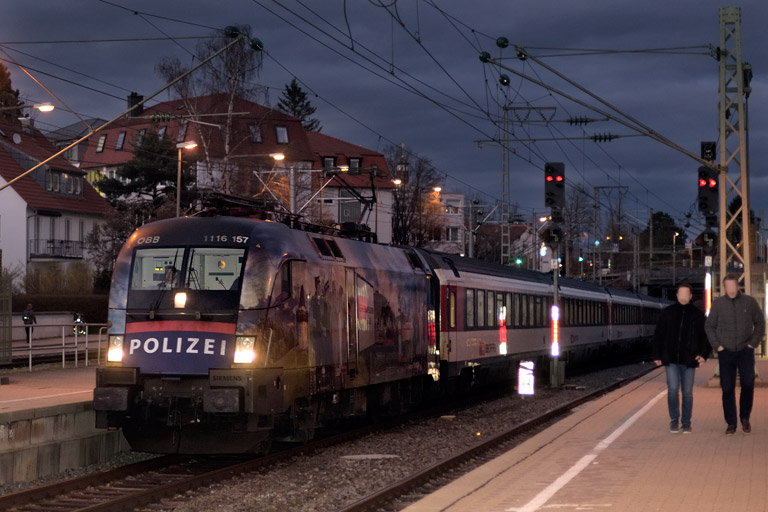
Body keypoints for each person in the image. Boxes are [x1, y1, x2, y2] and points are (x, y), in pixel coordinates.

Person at [705, 274, 765, 435]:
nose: (731, 289)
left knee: (748, 383)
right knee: (727, 388)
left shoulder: (749, 302)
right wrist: (717, 346)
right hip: (726, 352)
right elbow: (709, 326)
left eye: (733, 286)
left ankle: (745, 417)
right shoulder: (718, 304)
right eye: (728, 286)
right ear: (725, 288)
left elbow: (760, 323)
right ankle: (731, 423)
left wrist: (753, 343)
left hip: (745, 351)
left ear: (737, 286)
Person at [652, 283, 710, 434]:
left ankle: (686, 422)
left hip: (689, 360)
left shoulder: (698, 315)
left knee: (687, 393)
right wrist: (657, 355)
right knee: (672, 390)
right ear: (677, 295)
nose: (684, 295)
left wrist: (703, 354)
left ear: (690, 296)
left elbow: (705, 337)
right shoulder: (667, 313)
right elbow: (659, 335)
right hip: (670, 359)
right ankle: (673, 420)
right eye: (681, 293)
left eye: (687, 293)